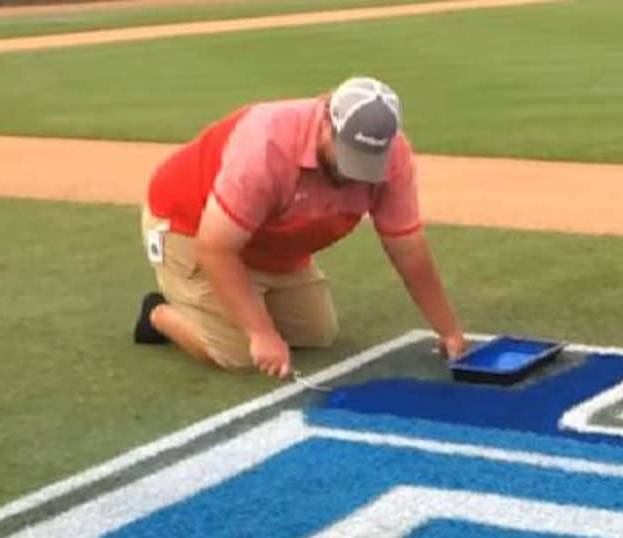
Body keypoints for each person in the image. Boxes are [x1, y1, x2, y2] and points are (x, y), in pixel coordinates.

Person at [131, 76, 468, 378]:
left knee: (316, 333)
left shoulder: (393, 157)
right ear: (326, 123)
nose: (354, 174)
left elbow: (407, 247)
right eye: (348, 156)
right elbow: (215, 248)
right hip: (190, 224)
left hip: (269, 239)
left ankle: (241, 298)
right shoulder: (266, 146)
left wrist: (448, 329)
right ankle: (159, 314)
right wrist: (260, 332)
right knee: (238, 353)